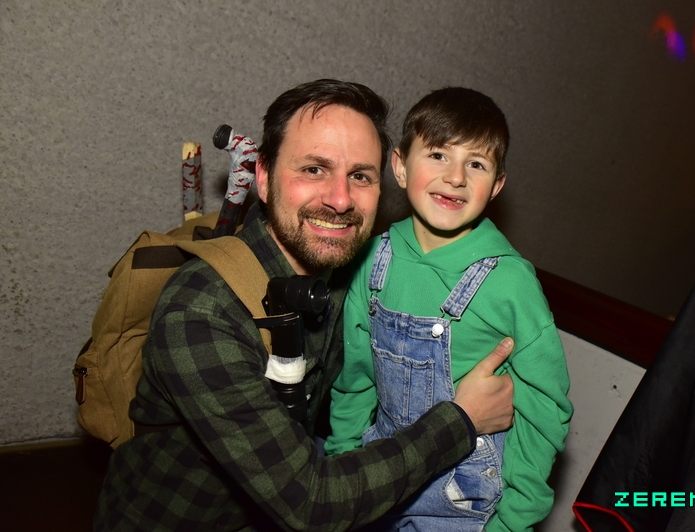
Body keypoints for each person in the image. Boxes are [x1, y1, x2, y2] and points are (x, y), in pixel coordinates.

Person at [94, 79, 516, 532]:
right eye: (314, 169)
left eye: (360, 176)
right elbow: (311, 503)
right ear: (263, 177)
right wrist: (462, 420)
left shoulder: (354, 274)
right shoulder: (201, 311)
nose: (340, 199)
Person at [325, 87, 573, 531]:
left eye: (476, 164)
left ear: (496, 186)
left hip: (463, 501)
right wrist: (343, 462)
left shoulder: (509, 281)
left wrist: (516, 519)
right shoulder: (373, 259)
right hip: (380, 473)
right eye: (438, 155)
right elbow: (356, 376)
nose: (456, 177)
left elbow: (543, 408)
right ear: (400, 166)